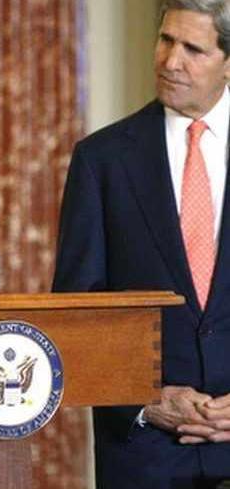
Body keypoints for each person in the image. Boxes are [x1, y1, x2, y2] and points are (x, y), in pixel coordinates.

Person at [53, 0, 230, 487]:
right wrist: (147, 402)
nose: (171, 61)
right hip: (145, 453)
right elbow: (78, 312)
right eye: (166, 41)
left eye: (193, 48)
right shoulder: (101, 159)